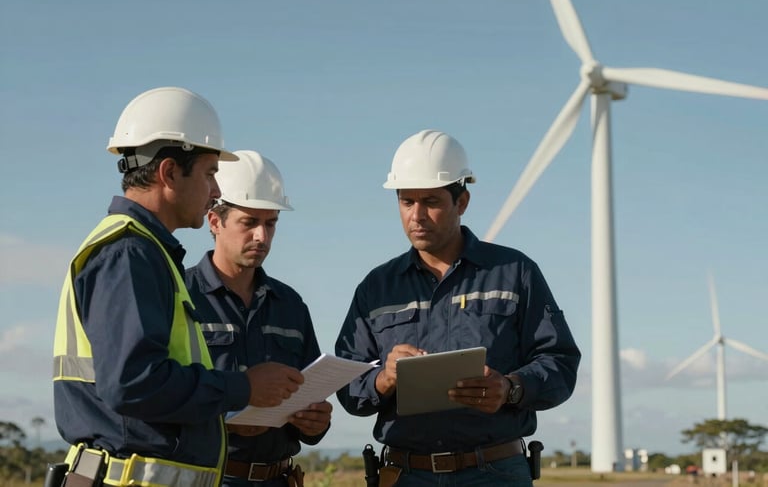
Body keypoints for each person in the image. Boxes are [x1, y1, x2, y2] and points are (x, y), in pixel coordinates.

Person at [52, 87, 304, 487]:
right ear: (169, 173)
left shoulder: (144, 252)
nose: (216, 192)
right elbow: (132, 384)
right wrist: (244, 387)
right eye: (208, 174)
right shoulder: (130, 254)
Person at [335, 129, 581, 486]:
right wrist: (384, 378)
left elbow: (560, 364)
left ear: (462, 202)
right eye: (406, 202)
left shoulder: (515, 273)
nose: (417, 215)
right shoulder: (376, 288)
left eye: (431, 202)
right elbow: (349, 389)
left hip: (495, 472)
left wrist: (511, 388)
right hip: (405, 475)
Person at [185, 150, 332, 487]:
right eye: (249, 222)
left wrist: (316, 422)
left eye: (271, 223)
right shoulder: (180, 296)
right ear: (215, 221)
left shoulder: (291, 305)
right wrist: (225, 419)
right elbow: (161, 394)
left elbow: (310, 391)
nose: (262, 237)